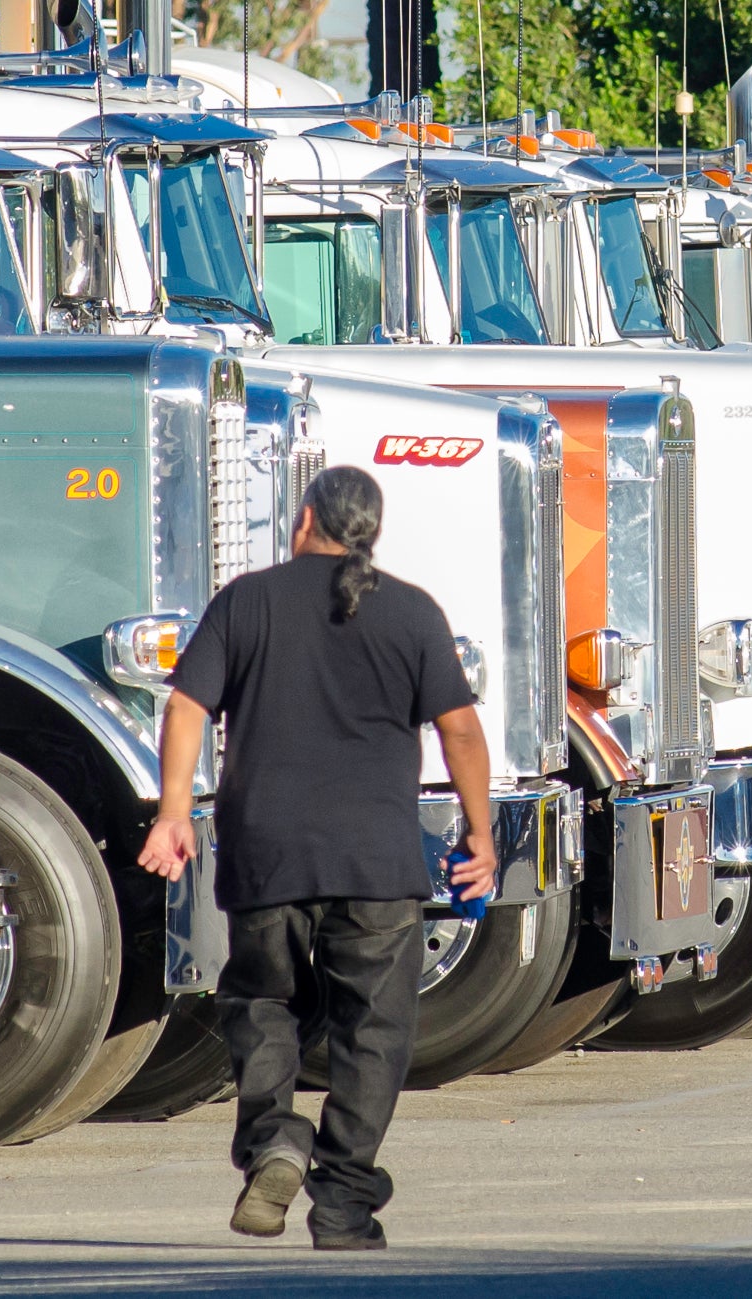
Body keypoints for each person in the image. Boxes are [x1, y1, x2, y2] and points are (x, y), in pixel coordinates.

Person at [137, 466, 497, 1251]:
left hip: (267, 853)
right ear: (371, 530)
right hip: (375, 862)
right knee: (375, 1028)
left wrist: (173, 812)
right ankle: (340, 1201)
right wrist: (480, 833)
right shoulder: (410, 610)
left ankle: (275, 1138)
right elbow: (461, 731)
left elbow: (187, 704)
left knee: (263, 1002)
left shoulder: (247, 600)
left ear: (304, 520)